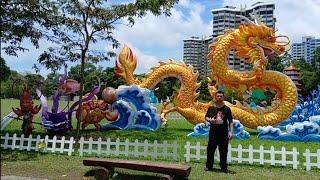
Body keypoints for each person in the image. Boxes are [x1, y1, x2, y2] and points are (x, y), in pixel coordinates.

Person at [205, 90, 233, 173]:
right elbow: (206, 117)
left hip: (223, 133)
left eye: (221, 96)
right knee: (210, 150)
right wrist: (210, 120)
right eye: (218, 96)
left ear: (223, 97)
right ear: (215, 97)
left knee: (224, 151)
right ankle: (209, 166)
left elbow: (230, 121)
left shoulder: (227, 109)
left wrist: (231, 132)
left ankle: (223, 167)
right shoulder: (212, 108)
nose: (219, 97)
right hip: (213, 133)